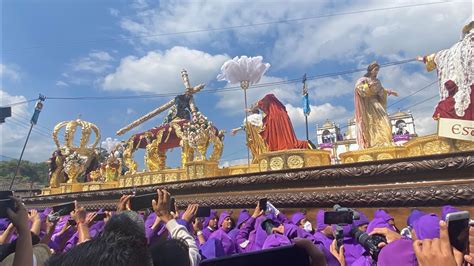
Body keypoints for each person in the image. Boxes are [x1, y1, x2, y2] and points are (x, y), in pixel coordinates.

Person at [417, 21, 473, 120]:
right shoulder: (453, 51)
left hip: (457, 99)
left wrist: (423, 59)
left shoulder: (451, 51)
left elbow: (434, 58)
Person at [354, 61, 398, 149]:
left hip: (376, 103)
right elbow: (358, 88)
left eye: (378, 70)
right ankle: (373, 143)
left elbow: (381, 91)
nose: (377, 71)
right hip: (368, 104)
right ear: (370, 70)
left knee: (386, 120)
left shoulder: (377, 81)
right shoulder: (363, 80)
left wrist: (390, 91)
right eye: (375, 69)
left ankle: (385, 141)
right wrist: (367, 87)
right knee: (371, 123)